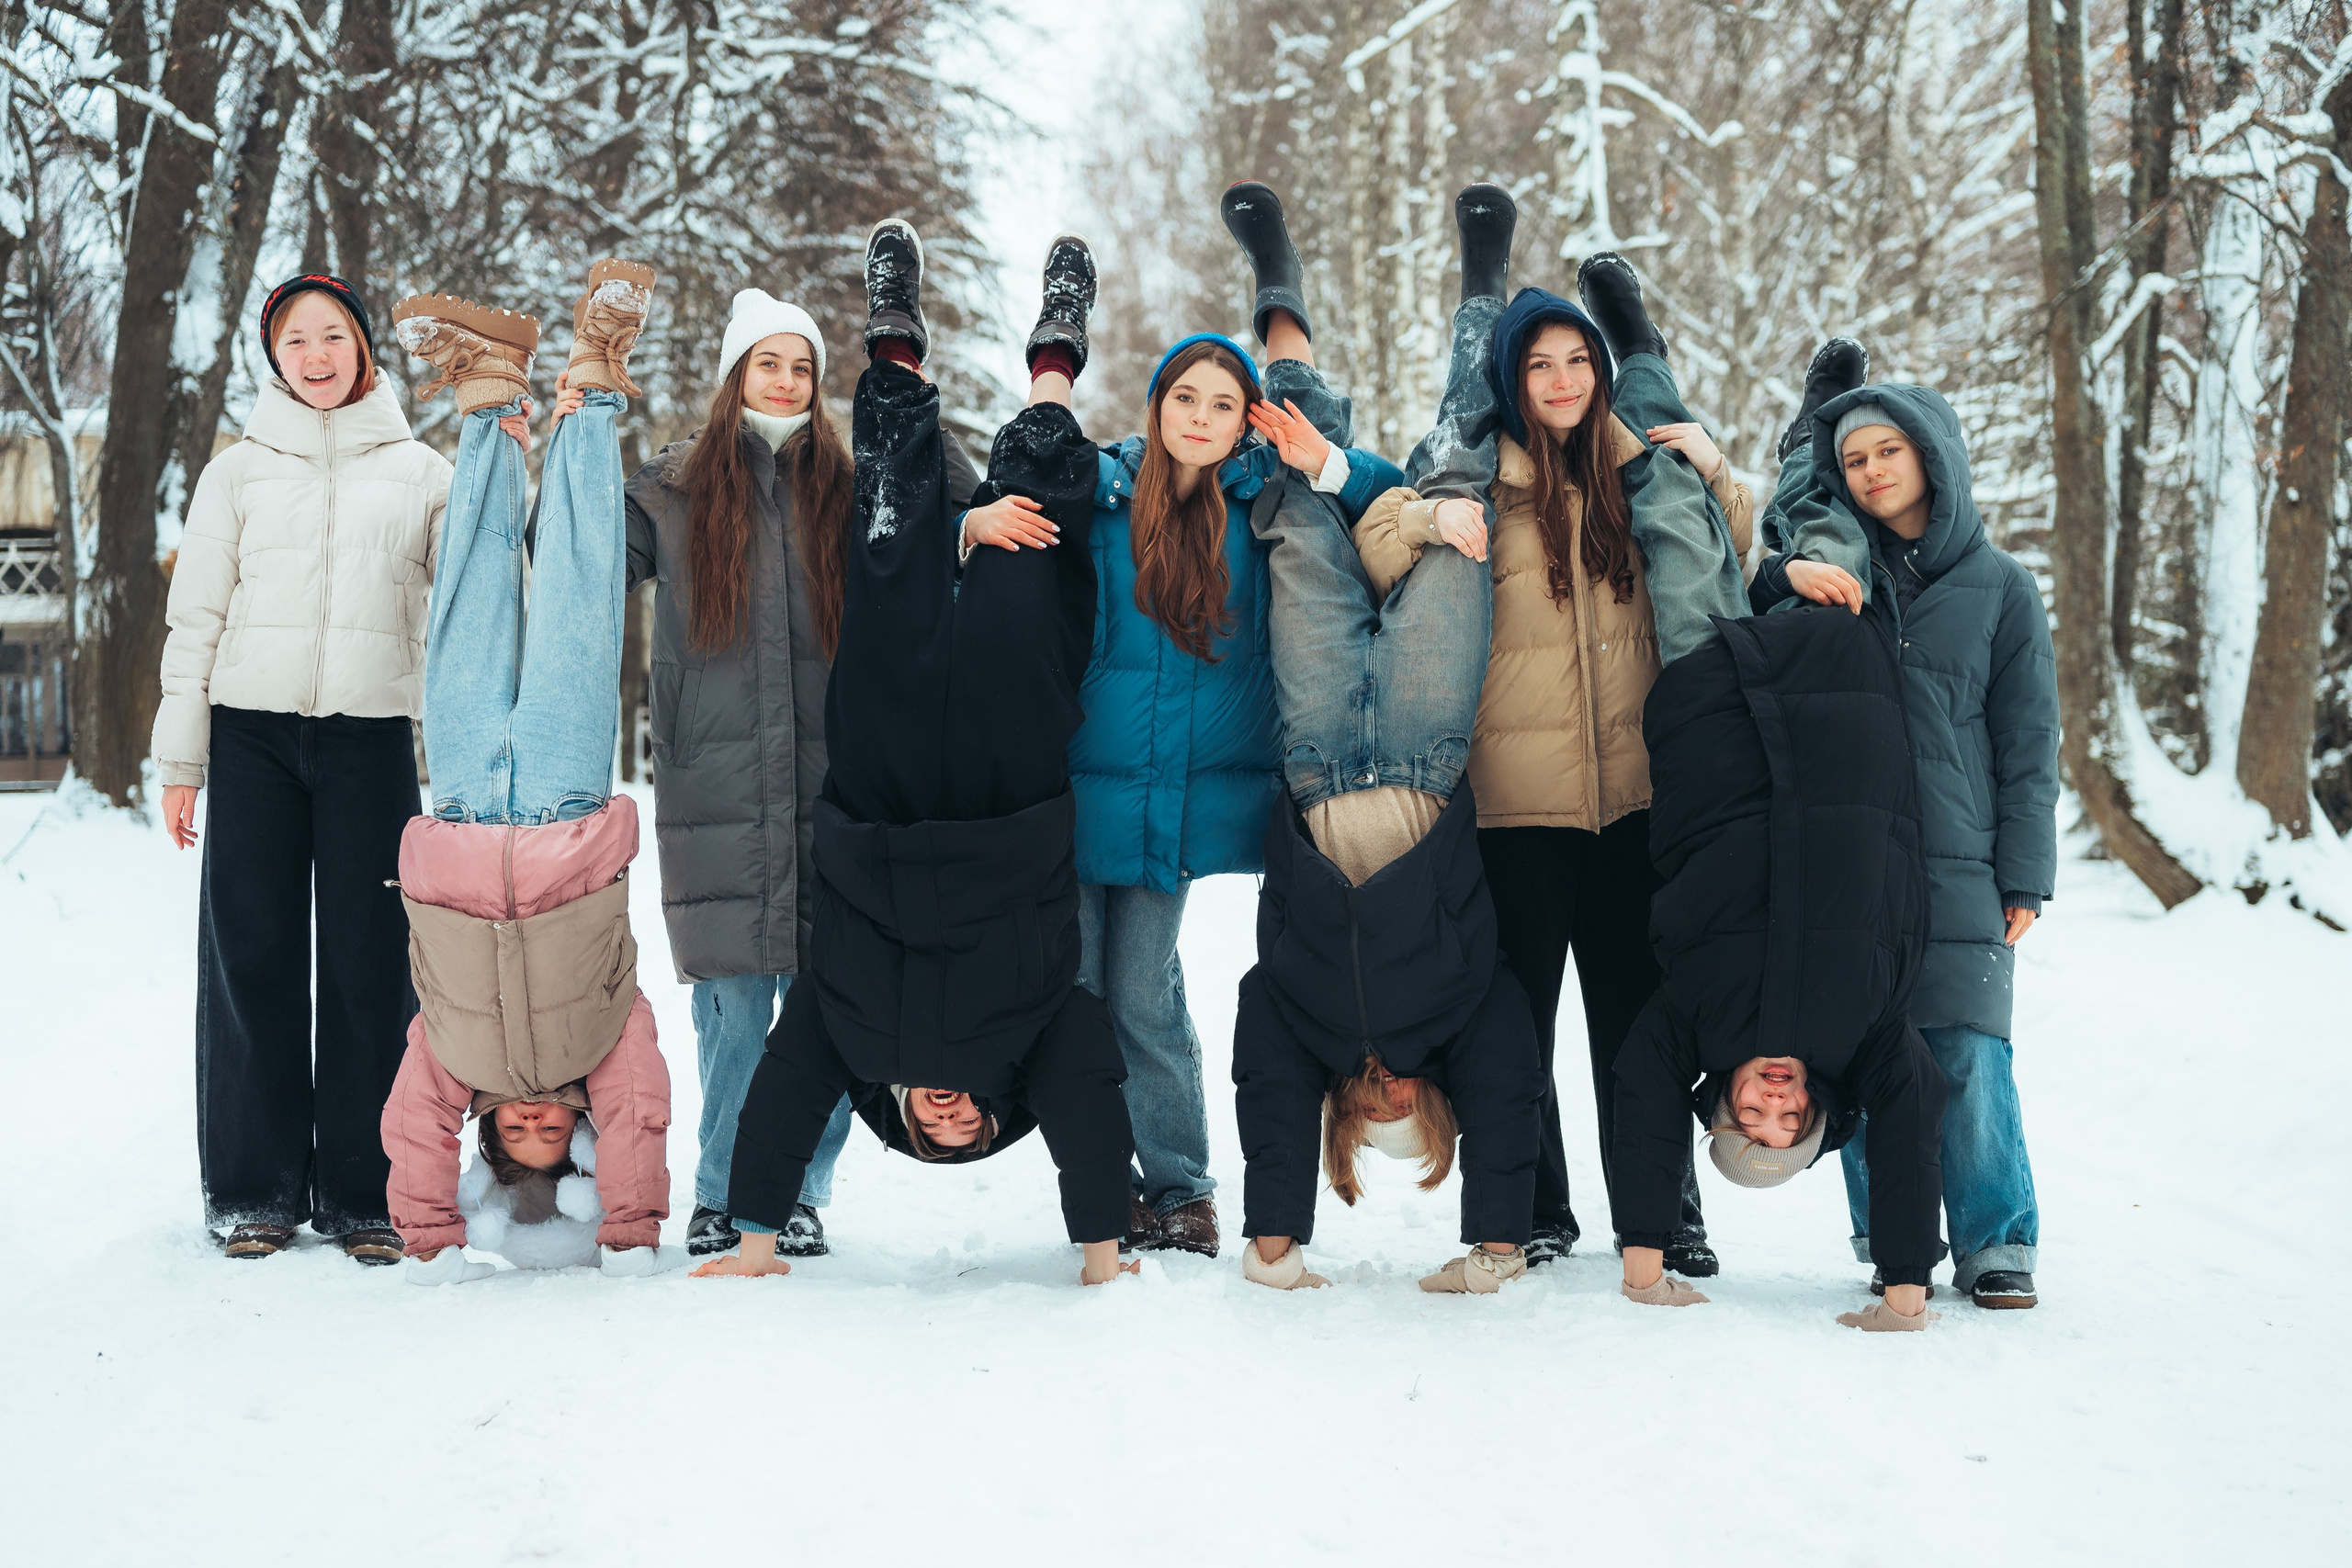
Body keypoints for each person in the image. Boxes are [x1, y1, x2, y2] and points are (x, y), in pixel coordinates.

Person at [693, 223, 1137, 1287]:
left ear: (898, 1115)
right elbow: (1086, 1100)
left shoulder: (848, 1034)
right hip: (1009, 783)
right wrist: (1103, 1251)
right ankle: (1054, 365)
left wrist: (756, 1237)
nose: (949, 1114)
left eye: (929, 1130)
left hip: (881, 784)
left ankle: (891, 341)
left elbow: (785, 1089)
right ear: (995, 1117)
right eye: (969, 1128)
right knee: (1030, 541)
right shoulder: (1035, 1037)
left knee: (890, 553)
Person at [1351, 202, 1753, 1271]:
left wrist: (1714, 466)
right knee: (1513, 1028)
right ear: (1512, 380)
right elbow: (1376, 538)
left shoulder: (1642, 471)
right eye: (1543, 365)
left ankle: (1662, 1217)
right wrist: (1432, 518)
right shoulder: (1473, 470)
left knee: (1638, 1025)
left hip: (1633, 805)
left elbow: (1738, 552)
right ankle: (1531, 1206)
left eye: (1581, 358)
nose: (1566, 379)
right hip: (1513, 811)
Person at [1219, 182, 1544, 1294]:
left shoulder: (1300, 1029)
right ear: (1438, 1115)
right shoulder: (1463, 1020)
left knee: (1294, 511)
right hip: (1421, 743)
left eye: (1371, 1119)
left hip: (1311, 753)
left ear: (1343, 1124)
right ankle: (1483, 292)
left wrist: (1274, 1241)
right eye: (1412, 1115)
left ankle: (1279, 299)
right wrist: (1495, 1243)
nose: (1389, 1098)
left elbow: (1262, 1076)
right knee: (1458, 494)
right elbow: (1511, 1083)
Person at [1023, 305, 1399, 1260]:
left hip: (1177, 802)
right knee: (1075, 991)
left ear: (1245, 421)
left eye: (1221, 404)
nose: (1198, 416)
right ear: (1155, 408)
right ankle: (1104, 1185)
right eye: (1183, 398)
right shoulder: (1102, 496)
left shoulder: (1265, 500)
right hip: (1076, 788)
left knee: (1142, 992)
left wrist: (1323, 457)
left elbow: (1384, 502)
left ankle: (1182, 1187)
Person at [377, 263, 684, 1281]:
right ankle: (594, 381)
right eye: (562, 1134)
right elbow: (638, 1112)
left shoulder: (452, 1063)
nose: (542, 1123)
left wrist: (428, 1235)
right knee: (578, 587)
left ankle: (489, 393)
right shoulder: (606, 1045)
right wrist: (630, 1228)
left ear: (494, 1135)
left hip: (461, 804)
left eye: (525, 1138)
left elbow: (414, 1129)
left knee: (466, 591)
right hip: (565, 803)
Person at [618, 288, 925, 1260]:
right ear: (733, 374)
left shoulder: (850, 479)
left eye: (801, 367)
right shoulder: (672, 488)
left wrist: (901, 396)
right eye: (768, 363)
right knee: (735, 1007)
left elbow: (944, 509)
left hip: (835, 783)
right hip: (717, 792)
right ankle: (721, 1191)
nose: (786, 381)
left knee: (828, 1007)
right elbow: (578, 554)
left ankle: (796, 1190)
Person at [1752, 345, 2059, 1311]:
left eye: (1889, 450)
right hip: (1848, 860)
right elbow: (1758, 615)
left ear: (1933, 454)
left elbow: (2027, 741)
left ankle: (1997, 1242)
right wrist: (1793, 566)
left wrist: (2025, 875)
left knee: (1966, 1049)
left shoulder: (2003, 588)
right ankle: (1890, 1232)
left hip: (1962, 860)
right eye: (1853, 459)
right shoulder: (1828, 576)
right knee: (1861, 1045)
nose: (1873, 471)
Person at [153, 273, 452, 1263]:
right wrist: (180, 757)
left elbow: (485, 588)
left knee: (372, 965)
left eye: (332, 336)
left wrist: (505, 456)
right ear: (274, 359)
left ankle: (366, 1193)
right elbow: (194, 619)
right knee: (254, 958)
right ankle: (253, 1188)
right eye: (295, 342)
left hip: (371, 738)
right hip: (253, 738)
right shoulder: (236, 474)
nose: (315, 355)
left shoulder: (423, 473)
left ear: (364, 350)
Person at [1609, 599, 1950, 1330]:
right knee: (1827, 552)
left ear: (1724, 1100)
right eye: (1791, 1120)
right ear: (1816, 1112)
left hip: (1719, 720)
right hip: (1842, 697)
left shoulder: (1697, 1022)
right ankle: (1790, 552)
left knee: (1683, 534)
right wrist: (1906, 1289)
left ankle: (1696, 484)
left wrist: (1645, 1264)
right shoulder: (1864, 1036)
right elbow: (1910, 1119)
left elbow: (1643, 1092)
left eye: (1753, 1115)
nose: (1775, 1099)